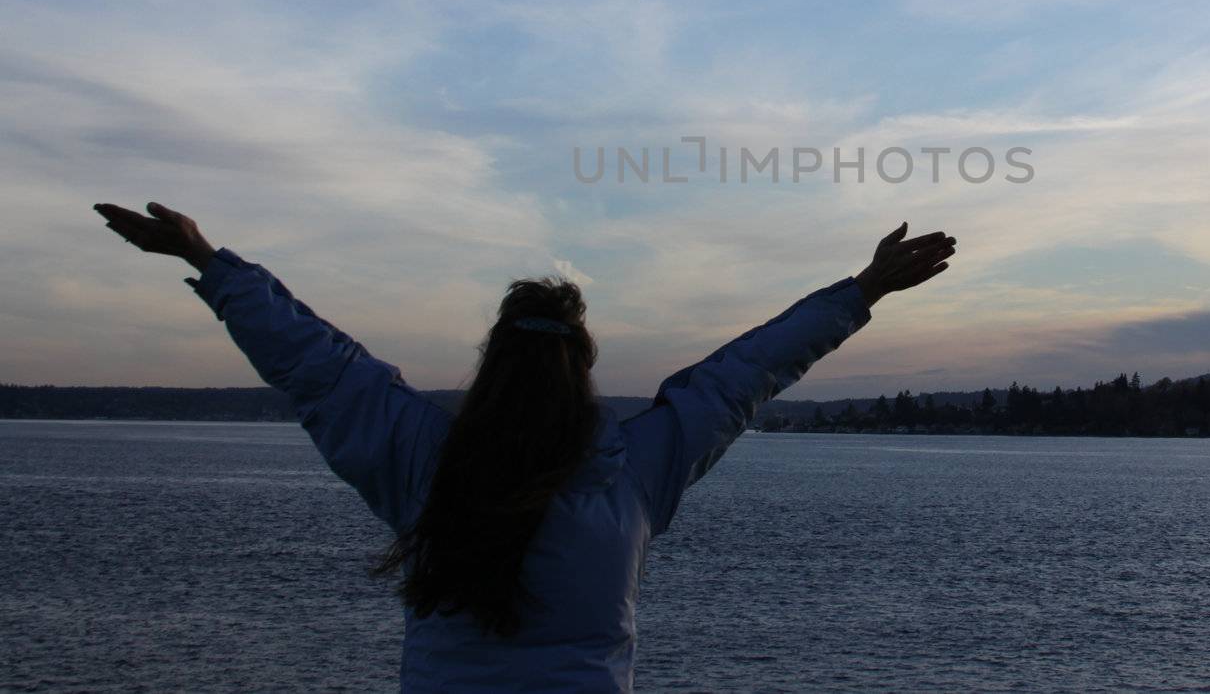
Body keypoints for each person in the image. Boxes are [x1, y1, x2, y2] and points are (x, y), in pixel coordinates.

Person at [93, 201, 957, 693]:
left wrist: (210, 261)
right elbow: (742, 374)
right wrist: (863, 290)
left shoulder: (422, 459)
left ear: (491, 360)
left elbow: (319, 368)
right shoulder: (635, 467)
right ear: (582, 366)